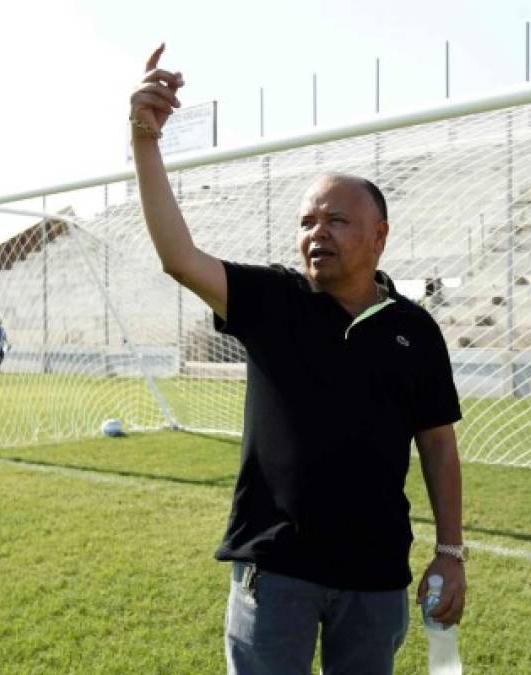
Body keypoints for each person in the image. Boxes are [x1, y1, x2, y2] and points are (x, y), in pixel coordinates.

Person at [130, 44, 467, 675]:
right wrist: (145, 143)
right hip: (275, 572)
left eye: (337, 220)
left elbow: (439, 445)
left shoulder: (415, 330)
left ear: (379, 236)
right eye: (307, 220)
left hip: (374, 576)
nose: (318, 232)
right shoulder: (272, 299)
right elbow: (179, 255)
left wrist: (450, 552)